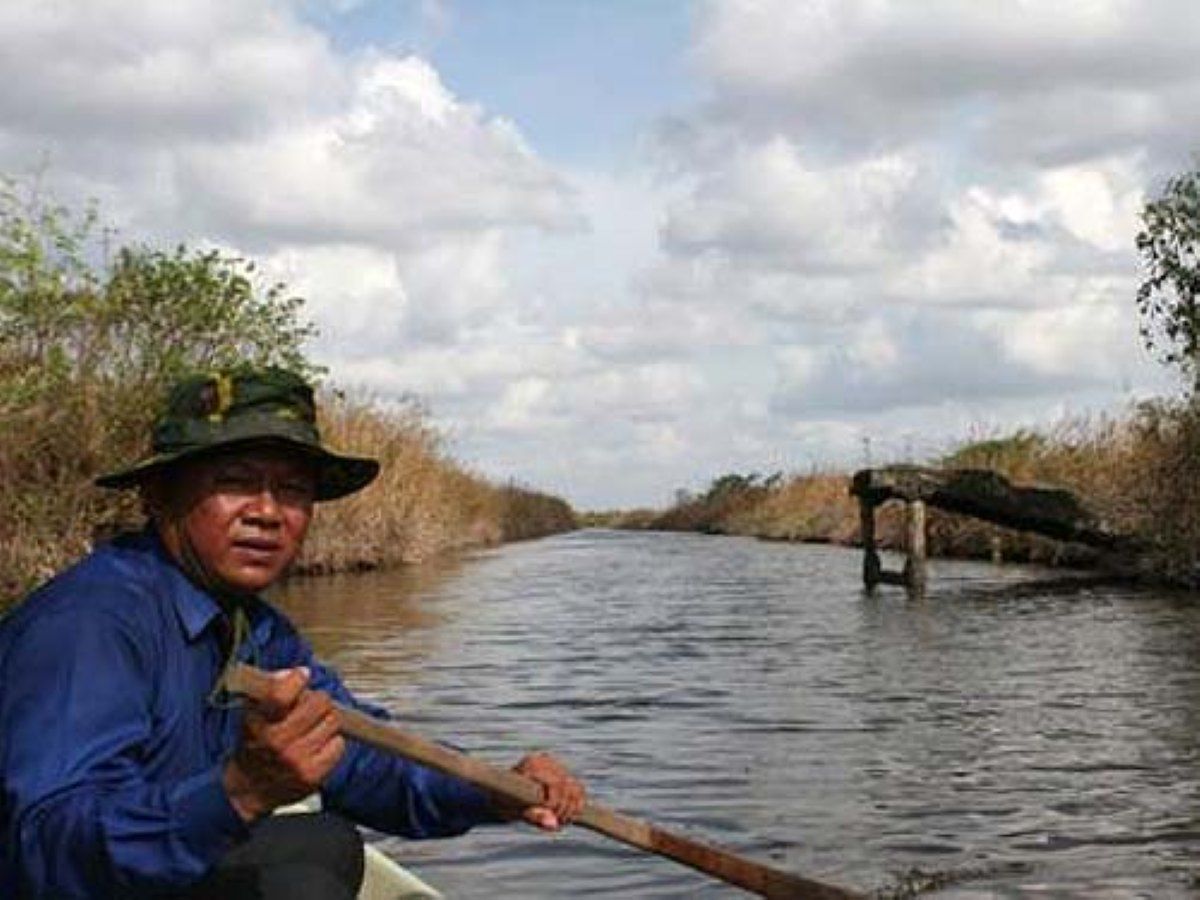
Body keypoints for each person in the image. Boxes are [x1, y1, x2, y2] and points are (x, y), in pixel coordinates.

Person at [0, 367, 586, 899]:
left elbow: (360, 758)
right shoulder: (90, 626)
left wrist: (492, 791)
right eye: (235, 481)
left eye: (293, 490)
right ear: (157, 496)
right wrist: (242, 791)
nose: (267, 512)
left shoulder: (251, 626)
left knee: (323, 842)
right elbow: (45, 851)